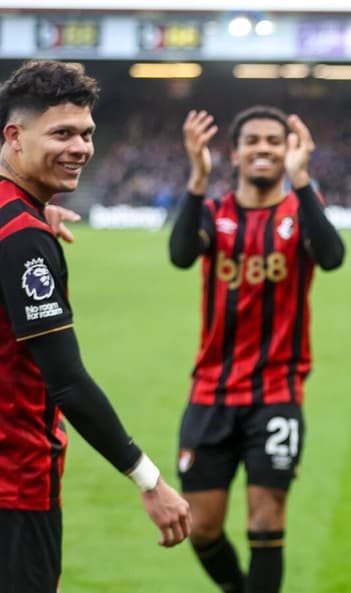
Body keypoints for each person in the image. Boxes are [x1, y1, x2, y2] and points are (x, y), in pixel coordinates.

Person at [0, 60, 191, 593]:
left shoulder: (18, 222)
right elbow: (67, 381)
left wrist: (33, 215)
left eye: (86, 134)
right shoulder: (21, 236)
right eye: (61, 133)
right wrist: (148, 479)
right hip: (16, 483)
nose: (80, 147)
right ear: (14, 137)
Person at [168, 105, 345, 593]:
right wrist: (197, 177)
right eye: (253, 140)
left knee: (267, 517)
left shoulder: (299, 211)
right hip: (211, 392)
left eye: (274, 140)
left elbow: (331, 257)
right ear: (235, 151)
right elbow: (181, 254)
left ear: (288, 149)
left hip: (276, 392)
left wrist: (302, 178)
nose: (263, 148)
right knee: (202, 527)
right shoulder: (212, 210)